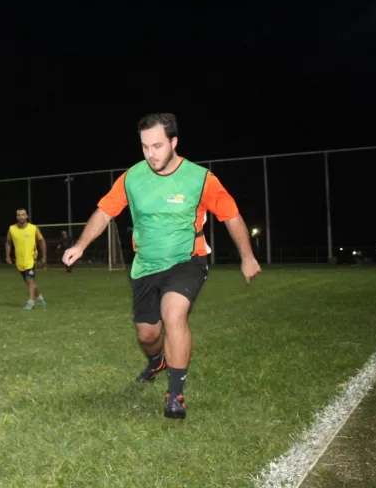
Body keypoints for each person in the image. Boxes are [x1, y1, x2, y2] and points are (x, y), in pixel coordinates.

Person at [63, 113, 260, 419]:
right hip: (145, 265)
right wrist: (79, 245)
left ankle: (176, 395)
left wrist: (247, 256)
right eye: (144, 147)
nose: (151, 153)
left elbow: (231, 215)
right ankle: (156, 361)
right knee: (147, 336)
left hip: (187, 261)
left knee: (173, 314)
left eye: (157, 145)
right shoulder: (132, 178)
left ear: (174, 142)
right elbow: (104, 212)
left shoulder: (200, 179)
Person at [5, 208, 48, 310]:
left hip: (31, 259)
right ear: (16, 217)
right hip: (19, 260)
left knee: (29, 280)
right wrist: (7, 256)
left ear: (27, 216)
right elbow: (8, 242)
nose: (21, 217)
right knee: (30, 282)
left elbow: (42, 241)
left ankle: (31, 302)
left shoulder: (33, 228)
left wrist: (44, 256)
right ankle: (40, 298)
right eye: (18, 215)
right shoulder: (12, 229)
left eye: (23, 214)